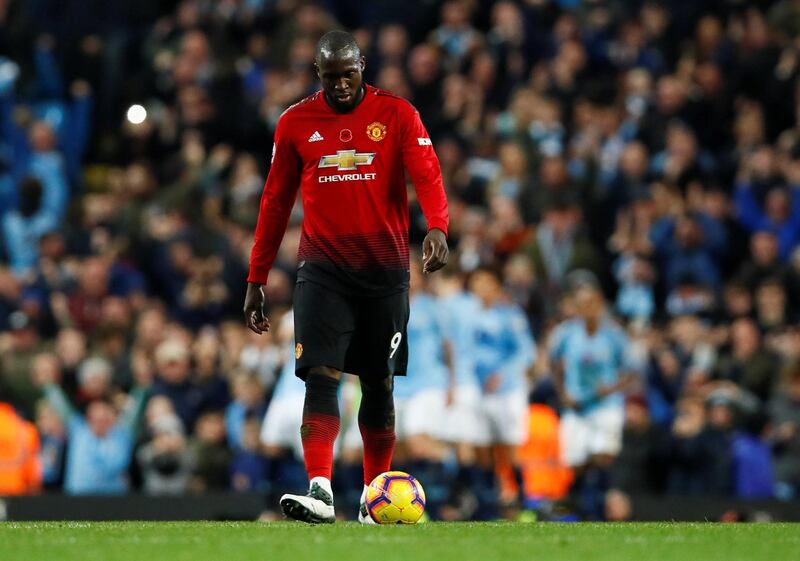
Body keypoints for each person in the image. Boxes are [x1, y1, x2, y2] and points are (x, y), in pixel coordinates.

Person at [243, 30, 449, 524]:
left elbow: (428, 172)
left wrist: (438, 226)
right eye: (331, 78)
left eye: (348, 74)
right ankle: (320, 490)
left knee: (379, 384)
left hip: (385, 272)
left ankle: (372, 497)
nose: (340, 86)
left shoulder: (397, 114)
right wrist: (256, 277)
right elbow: (274, 203)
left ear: (363, 66)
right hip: (322, 271)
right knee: (319, 376)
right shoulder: (294, 123)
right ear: (318, 76)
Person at [468, 266, 535, 514]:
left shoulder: (510, 315)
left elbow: (526, 351)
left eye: (484, 282)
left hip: (507, 390)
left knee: (509, 446)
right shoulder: (468, 316)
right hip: (477, 390)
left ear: (495, 287)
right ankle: (489, 499)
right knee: (481, 446)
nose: (479, 288)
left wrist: (503, 373)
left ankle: (521, 495)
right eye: (475, 283)